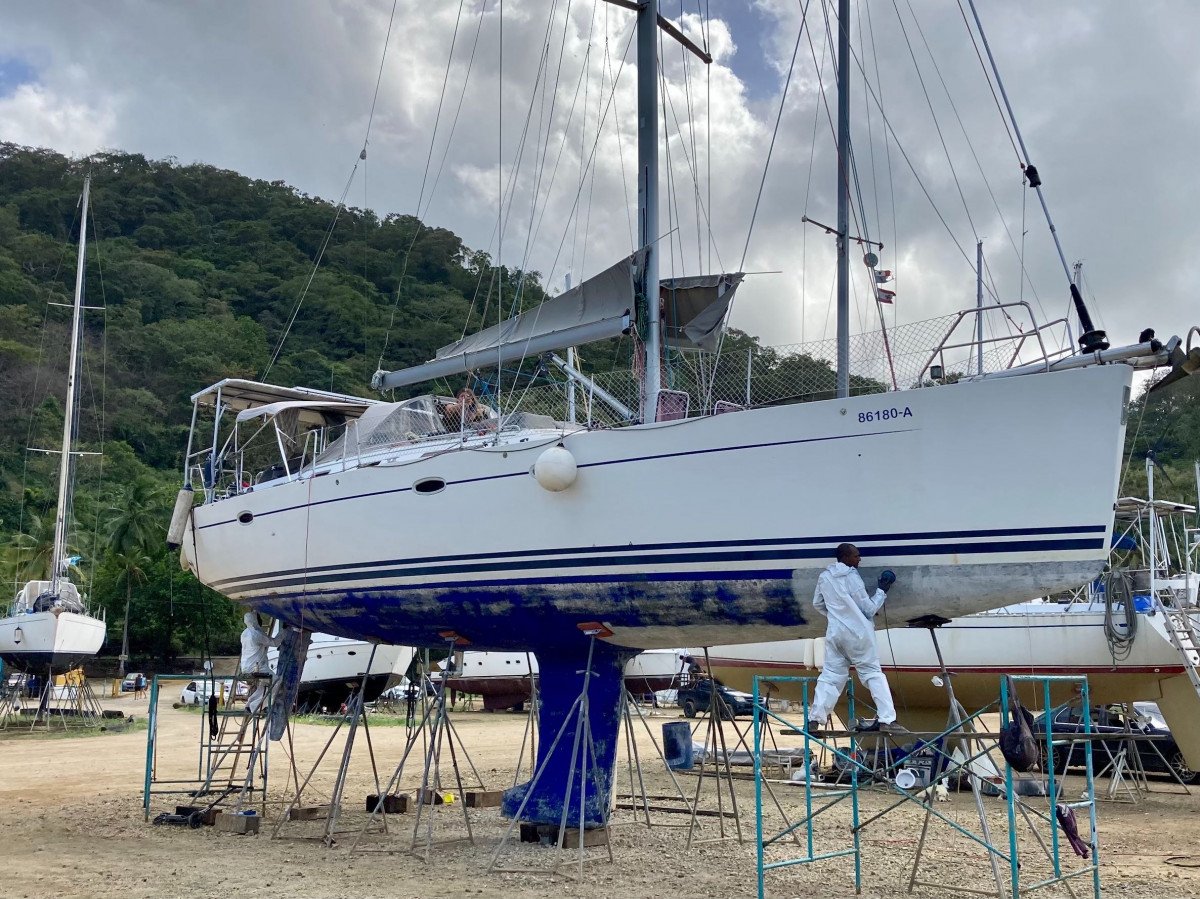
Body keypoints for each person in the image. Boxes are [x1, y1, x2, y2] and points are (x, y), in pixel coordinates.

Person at [806, 543, 907, 737]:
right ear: (845, 557)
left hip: (835, 634)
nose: (859, 559)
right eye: (856, 556)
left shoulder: (825, 577)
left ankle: (814, 719)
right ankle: (887, 719)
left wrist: (836, 616)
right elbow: (869, 609)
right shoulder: (852, 576)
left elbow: (817, 603)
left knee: (830, 676)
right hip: (858, 634)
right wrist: (882, 590)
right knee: (872, 673)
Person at [239, 611, 281, 713]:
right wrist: (284, 631)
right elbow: (274, 643)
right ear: (255, 620)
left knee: (264, 685)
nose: (261, 620)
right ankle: (255, 706)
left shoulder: (244, 633)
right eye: (259, 619)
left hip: (245, 667)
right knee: (277, 682)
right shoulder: (256, 634)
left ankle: (249, 704)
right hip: (256, 667)